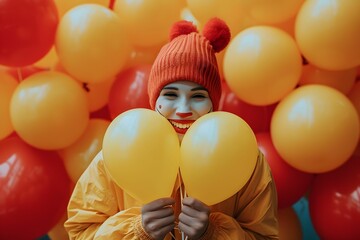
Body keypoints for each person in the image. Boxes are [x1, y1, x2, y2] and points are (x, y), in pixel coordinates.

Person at [64, 18, 279, 239]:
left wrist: (212, 233)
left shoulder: (244, 159)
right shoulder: (118, 153)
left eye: (197, 96)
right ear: (154, 99)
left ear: (213, 104)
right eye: (170, 95)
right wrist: (137, 231)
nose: (183, 110)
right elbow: (81, 231)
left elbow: (264, 235)